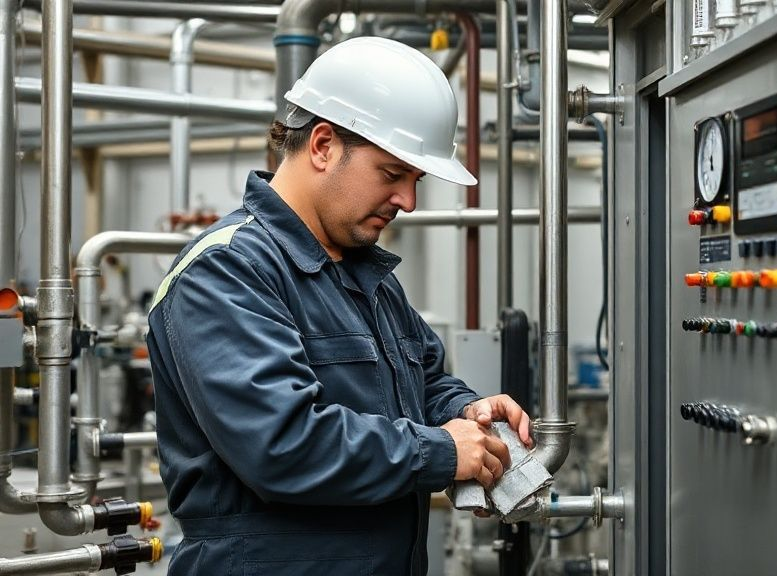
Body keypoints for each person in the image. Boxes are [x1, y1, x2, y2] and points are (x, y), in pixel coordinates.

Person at [147, 37, 532, 575]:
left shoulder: (363, 271)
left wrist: (466, 413)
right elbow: (282, 445)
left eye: (414, 180)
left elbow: (423, 383)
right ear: (323, 145)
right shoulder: (227, 270)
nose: (409, 201)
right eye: (392, 174)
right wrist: (441, 451)